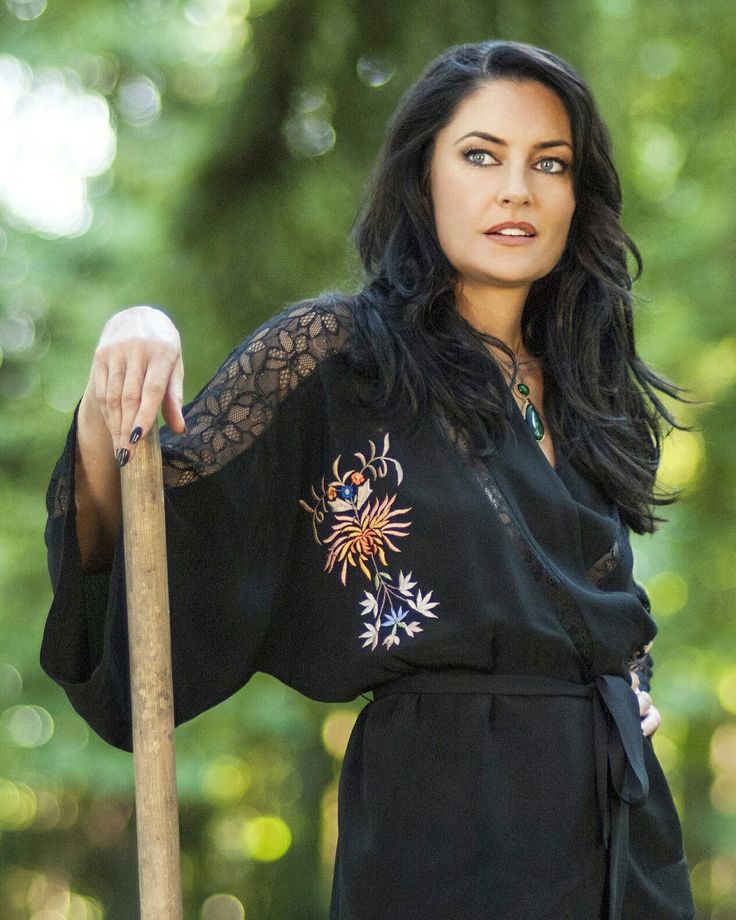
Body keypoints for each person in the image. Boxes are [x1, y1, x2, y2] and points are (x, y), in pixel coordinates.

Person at [42, 39, 697, 920]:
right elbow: (157, 523)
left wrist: (627, 686)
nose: (518, 190)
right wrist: (129, 341)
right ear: (421, 178)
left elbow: (598, 600)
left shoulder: (587, 385)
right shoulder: (340, 353)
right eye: (480, 156)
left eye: (551, 164)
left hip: (625, 833)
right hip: (446, 827)